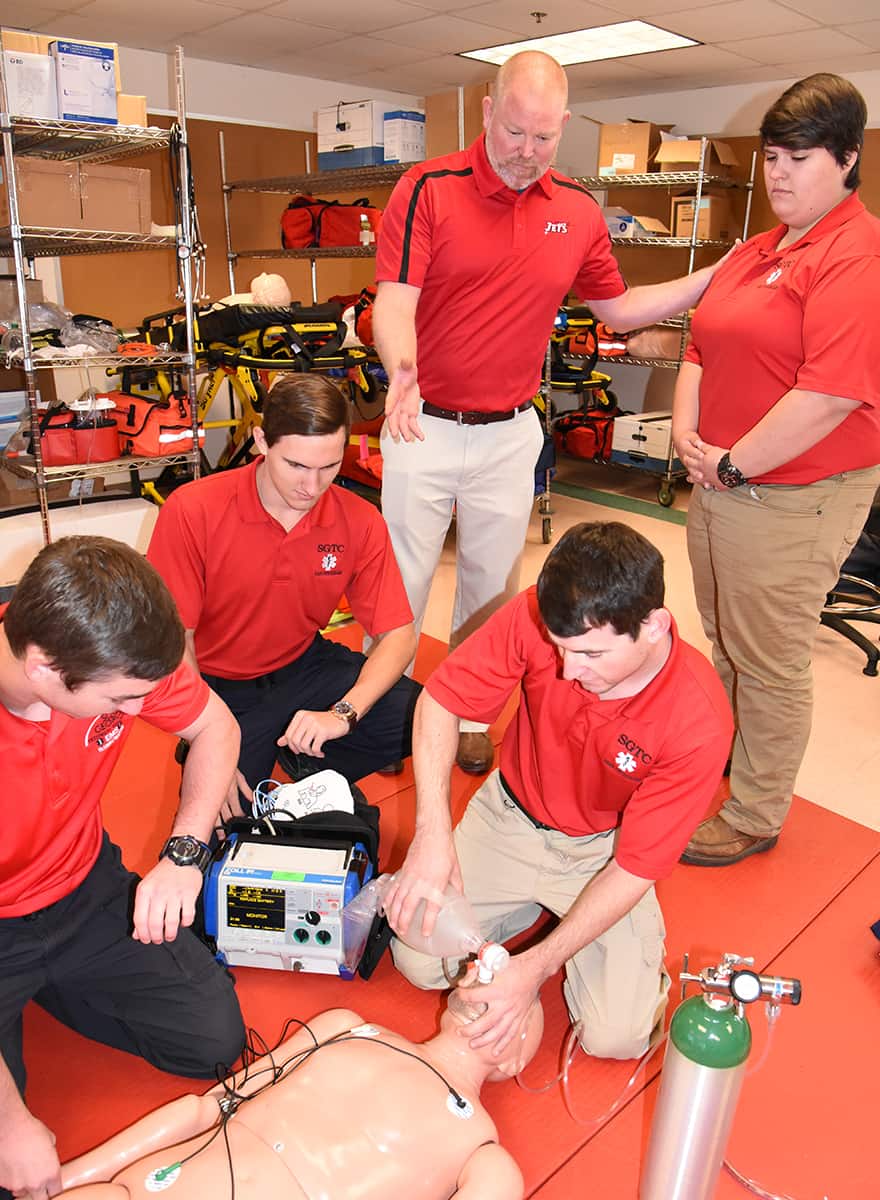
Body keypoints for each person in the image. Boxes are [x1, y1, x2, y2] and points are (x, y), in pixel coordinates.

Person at [373, 49, 731, 777]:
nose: (526, 153)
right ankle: (389, 713)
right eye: (513, 132)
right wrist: (401, 372)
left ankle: (469, 713)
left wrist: (711, 277)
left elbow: (620, 308)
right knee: (402, 584)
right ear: (486, 111)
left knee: (491, 586)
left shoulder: (575, 208)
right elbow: (395, 301)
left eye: (544, 138)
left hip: (509, 432)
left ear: (563, 127)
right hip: (424, 422)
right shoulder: (427, 188)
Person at [384, 522, 733, 1061]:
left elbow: (635, 868)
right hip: (511, 816)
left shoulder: (698, 720)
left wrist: (535, 968)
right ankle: (527, 911)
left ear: (655, 626)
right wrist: (433, 837)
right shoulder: (543, 613)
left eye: (592, 654)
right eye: (560, 648)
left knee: (616, 1040)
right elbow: (443, 701)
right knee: (420, 963)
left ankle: (571, 935)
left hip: (603, 853)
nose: (569, 669)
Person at [672, 73, 880, 868]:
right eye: (771, 157)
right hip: (724, 479)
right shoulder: (761, 249)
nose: (780, 173)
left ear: (848, 159)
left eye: (800, 157)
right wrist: (690, 439)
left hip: (794, 493)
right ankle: (730, 758)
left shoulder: (854, 255)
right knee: (727, 640)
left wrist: (731, 462)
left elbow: (829, 395)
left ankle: (756, 812)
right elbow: (700, 343)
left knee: (771, 657)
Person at [0, 537, 245, 1200]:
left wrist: (183, 855)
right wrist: (10, 1121)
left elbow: (216, 729)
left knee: (215, 1044)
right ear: (44, 669)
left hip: (83, 888)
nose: (140, 713)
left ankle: (48, 985)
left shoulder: (112, 656)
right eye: (122, 701)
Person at [147, 374, 421, 813]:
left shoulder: (360, 519)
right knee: (220, 831)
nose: (311, 488)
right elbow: (174, 642)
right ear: (261, 441)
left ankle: (307, 759)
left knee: (424, 718)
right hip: (219, 689)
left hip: (303, 665)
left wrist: (343, 714)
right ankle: (261, 754)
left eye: (328, 467)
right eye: (295, 465)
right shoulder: (193, 509)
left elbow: (399, 634)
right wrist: (203, 731)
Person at [58, 990, 544, 1200]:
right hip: (154, 1186)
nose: (495, 987)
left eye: (516, 1002)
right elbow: (208, 1105)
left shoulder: (484, 1152)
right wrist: (66, 1178)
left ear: (515, 1060)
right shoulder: (346, 1026)